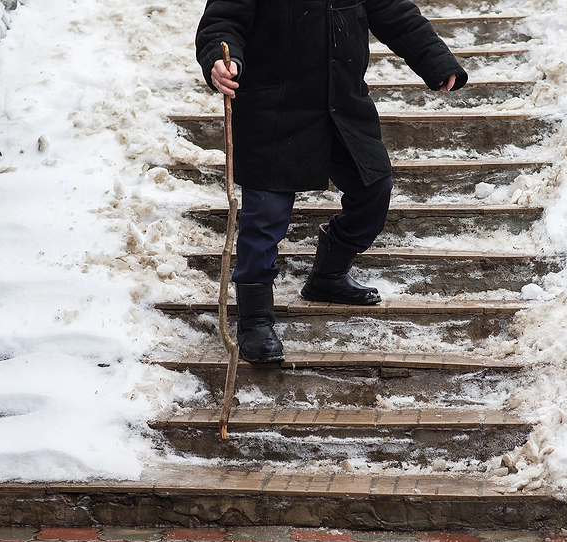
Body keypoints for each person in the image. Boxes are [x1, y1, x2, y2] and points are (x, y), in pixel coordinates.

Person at [196, 0, 468, 364]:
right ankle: (255, 319)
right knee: (265, 216)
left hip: (341, 105)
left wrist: (436, 61)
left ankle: (329, 273)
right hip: (272, 109)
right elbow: (222, 22)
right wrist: (220, 59)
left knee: (374, 188)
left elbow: (395, 14)